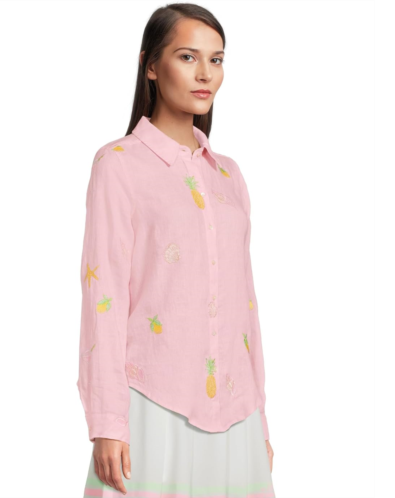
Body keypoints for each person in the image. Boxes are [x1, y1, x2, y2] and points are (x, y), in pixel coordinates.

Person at [77, 3, 276, 497]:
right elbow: (104, 299)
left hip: (237, 411)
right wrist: (107, 421)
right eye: (188, 57)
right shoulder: (118, 164)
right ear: (150, 65)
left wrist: (261, 420)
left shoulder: (228, 174)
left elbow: (246, 306)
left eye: (216, 59)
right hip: (152, 402)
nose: (205, 74)